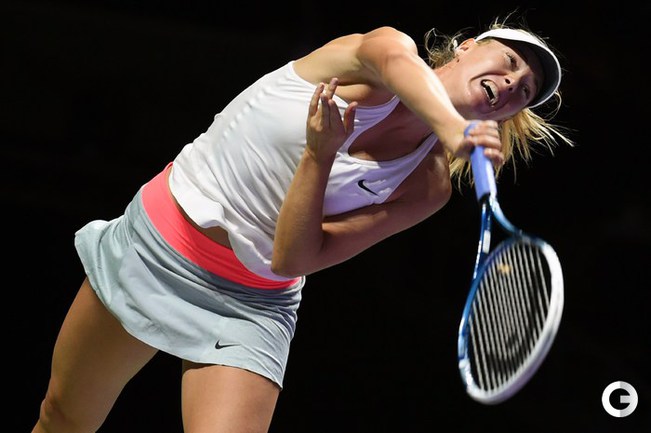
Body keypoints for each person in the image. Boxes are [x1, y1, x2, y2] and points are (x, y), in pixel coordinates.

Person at [32, 15, 572, 433]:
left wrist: (319, 156)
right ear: (467, 47)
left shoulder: (425, 186)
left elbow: (294, 258)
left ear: (505, 116)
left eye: (525, 90)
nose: (513, 81)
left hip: (251, 304)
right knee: (63, 418)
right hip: (158, 243)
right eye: (510, 61)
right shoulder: (382, 52)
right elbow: (395, 65)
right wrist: (455, 131)